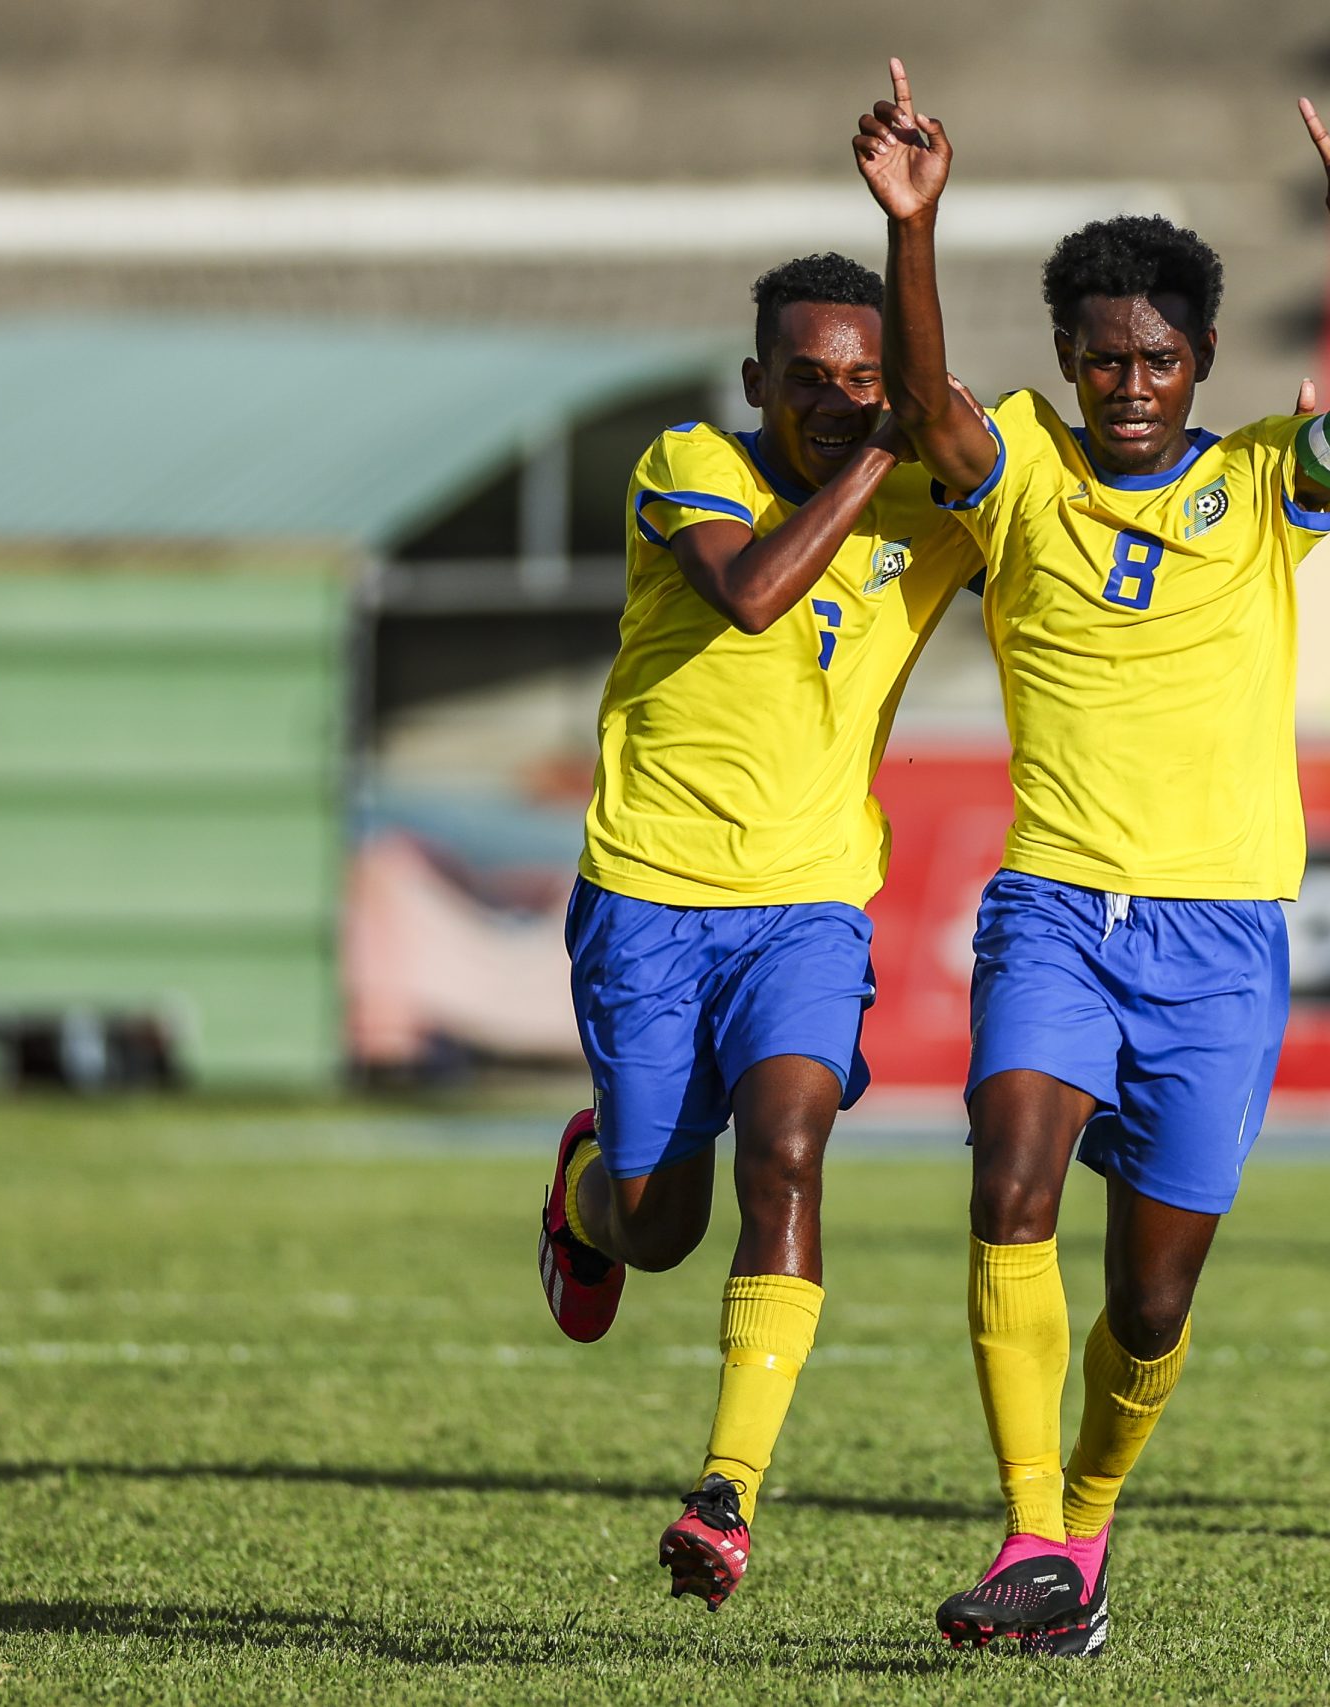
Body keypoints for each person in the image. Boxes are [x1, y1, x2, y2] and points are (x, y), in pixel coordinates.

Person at [852, 59, 1330, 1655]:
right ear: (1067, 360)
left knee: (1155, 1302)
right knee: (1009, 1178)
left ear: (1201, 365)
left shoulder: (1262, 486)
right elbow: (925, 413)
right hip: (1055, 906)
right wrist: (914, 225)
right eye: (1105, 358)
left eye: (1160, 359)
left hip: (1222, 936)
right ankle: (1033, 1532)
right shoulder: (1019, 472)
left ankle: (1089, 1532)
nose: (1131, 384)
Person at [533, 253, 981, 1607]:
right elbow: (752, 592)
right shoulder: (690, 464)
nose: (844, 405)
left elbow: (1038, 500)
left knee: (788, 1150)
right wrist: (883, 452)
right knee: (659, 1226)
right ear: (755, 387)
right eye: (811, 382)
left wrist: (919, 243)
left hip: (807, 901)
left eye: (866, 380)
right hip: (650, 891)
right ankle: (585, 1196)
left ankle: (725, 1489)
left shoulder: (924, 492)